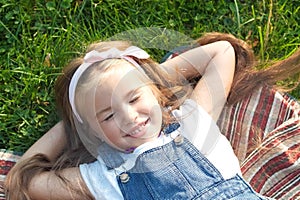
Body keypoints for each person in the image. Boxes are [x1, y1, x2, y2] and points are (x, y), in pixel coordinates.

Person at [5, 32, 300, 200]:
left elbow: (221, 52)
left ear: (156, 93)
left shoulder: (192, 120)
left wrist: (149, 78)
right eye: (107, 117)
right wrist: (73, 123)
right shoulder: (103, 178)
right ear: (94, 134)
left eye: (134, 98)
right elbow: (25, 178)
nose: (129, 117)